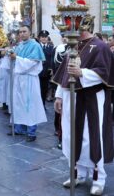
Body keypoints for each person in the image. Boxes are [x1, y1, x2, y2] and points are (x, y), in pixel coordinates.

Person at [53, 27, 114, 195]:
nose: (69, 29)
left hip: (92, 99)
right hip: (71, 99)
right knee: (72, 137)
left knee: (93, 139)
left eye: (74, 24)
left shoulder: (100, 46)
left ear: (84, 26)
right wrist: (59, 96)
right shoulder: (74, 46)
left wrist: (83, 73)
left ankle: (98, 179)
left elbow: (105, 72)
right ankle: (78, 174)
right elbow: (65, 74)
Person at [7, 25, 47, 142]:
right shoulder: (19, 45)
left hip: (29, 79)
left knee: (30, 105)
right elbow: (13, 58)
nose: (22, 34)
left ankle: (31, 131)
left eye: (24, 31)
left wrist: (16, 58)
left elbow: (32, 63)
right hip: (19, 78)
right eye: (20, 32)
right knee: (18, 104)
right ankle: (19, 128)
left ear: (30, 33)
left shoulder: (35, 45)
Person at [38, 30, 53, 109]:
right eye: (42, 37)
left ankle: (43, 104)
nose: (44, 39)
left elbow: (52, 59)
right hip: (38, 72)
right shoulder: (37, 46)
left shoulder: (51, 47)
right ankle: (38, 105)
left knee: (45, 89)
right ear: (39, 38)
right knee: (38, 89)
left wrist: (52, 69)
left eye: (45, 37)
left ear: (47, 38)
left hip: (47, 72)